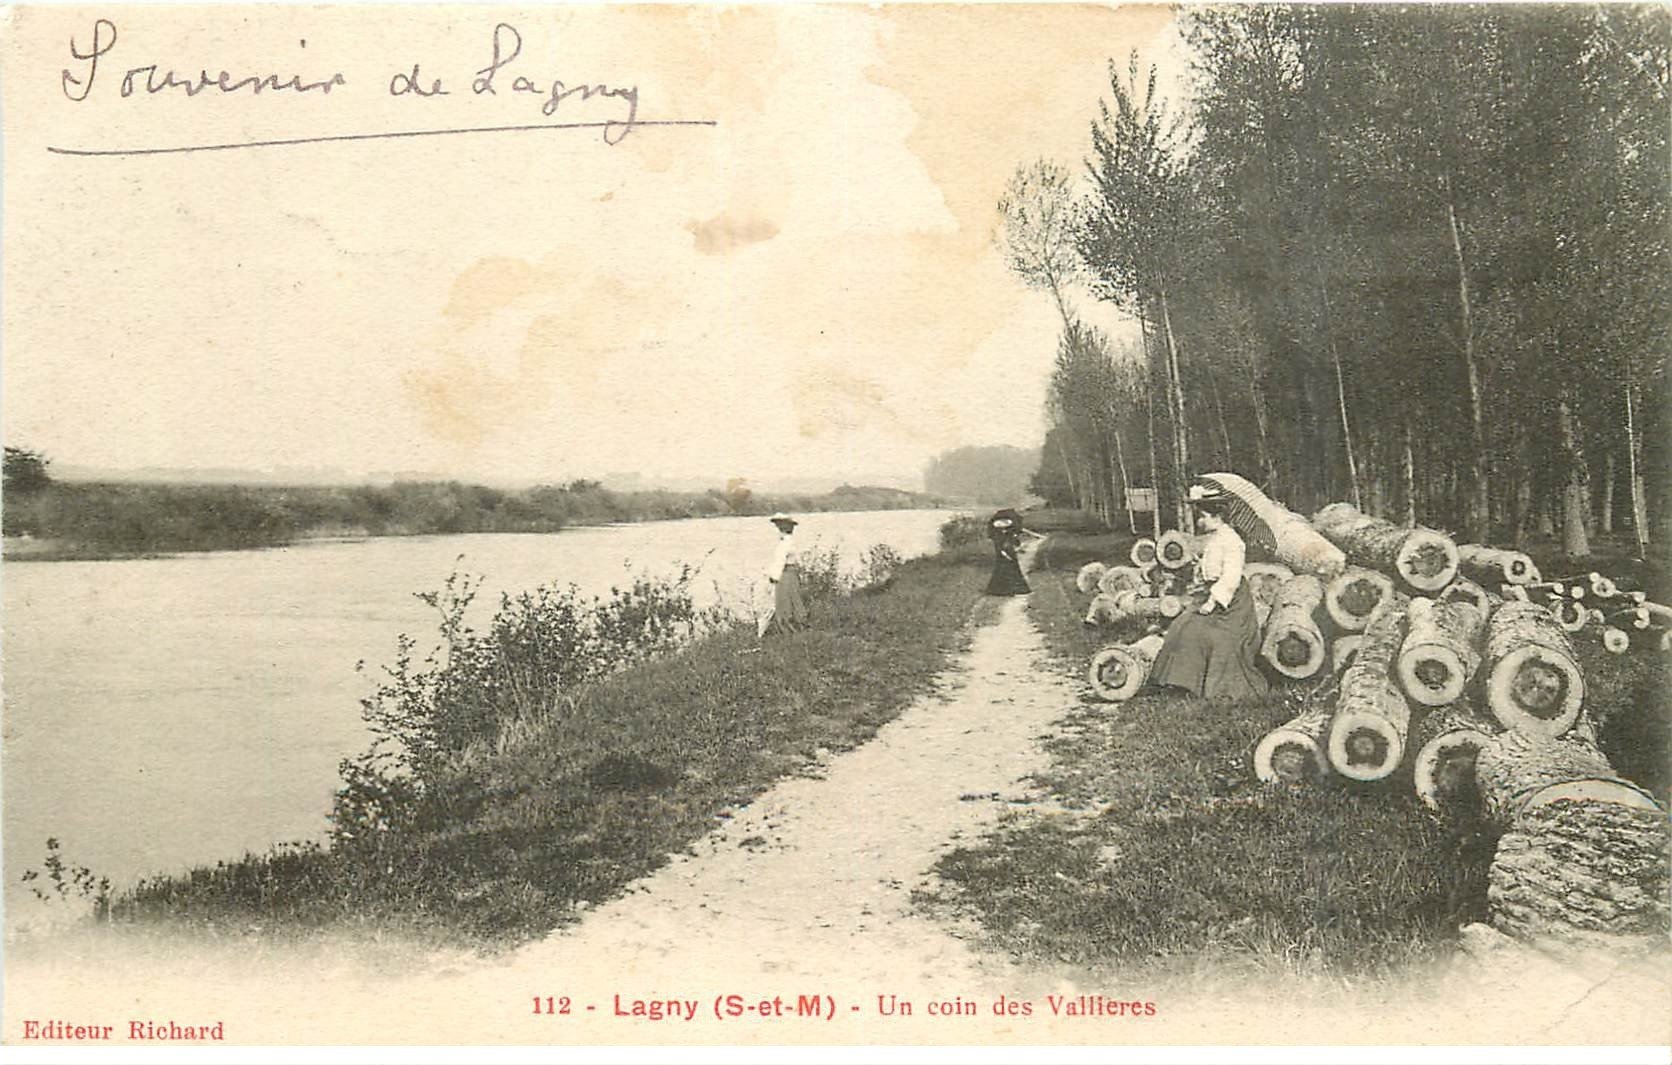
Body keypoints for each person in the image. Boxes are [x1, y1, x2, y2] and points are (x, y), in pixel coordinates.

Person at [1146, 482, 1269, 700]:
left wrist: (1213, 602)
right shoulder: (1216, 539)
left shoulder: (1232, 541)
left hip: (1231, 604)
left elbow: (1230, 577)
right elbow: (1210, 571)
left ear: (1216, 516)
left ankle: (1199, 685)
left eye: (1202, 516)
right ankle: (1177, 682)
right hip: (1211, 594)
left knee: (1205, 634)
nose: (1200, 521)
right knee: (1181, 626)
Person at [761, 512, 809, 636]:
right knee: (794, 600)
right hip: (791, 574)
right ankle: (799, 629)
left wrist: (773, 578)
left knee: (784, 603)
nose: (778, 529)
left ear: (782, 528)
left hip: (785, 575)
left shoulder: (784, 544)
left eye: (779, 526)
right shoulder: (790, 542)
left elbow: (780, 562)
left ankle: (789, 631)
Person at [984, 510, 1031, 596]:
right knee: (1001, 570)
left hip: (1011, 553)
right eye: (1002, 526)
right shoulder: (997, 535)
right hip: (1002, 555)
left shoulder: (1009, 534)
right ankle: (1002, 590)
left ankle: (1014, 588)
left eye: (1005, 526)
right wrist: (1003, 553)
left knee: (1013, 569)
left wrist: (1017, 547)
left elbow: (1015, 542)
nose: (1003, 528)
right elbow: (998, 546)